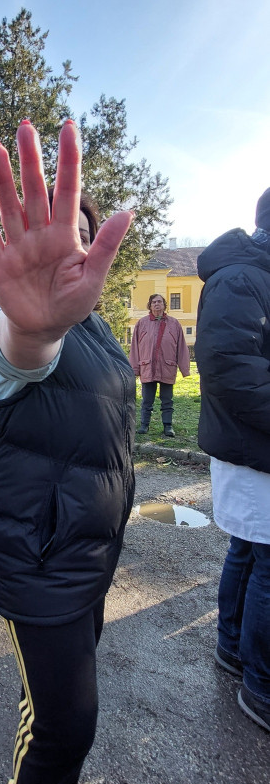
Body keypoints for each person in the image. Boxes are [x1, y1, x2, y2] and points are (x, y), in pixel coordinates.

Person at [0, 119, 135, 784]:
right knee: (66, 716)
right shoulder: (12, 318)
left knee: (64, 696)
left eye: (84, 237)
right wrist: (31, 327)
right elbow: (21, 348)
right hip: (36, 553)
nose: (74, 249)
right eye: (61, 237)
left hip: (86, 545)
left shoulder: (97, 329)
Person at [195, 187, 270, 734]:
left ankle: (233, 648)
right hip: (253, 451)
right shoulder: (241, 278)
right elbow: (230, 370)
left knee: (249, 552)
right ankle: (262, 685)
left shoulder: (253, 275)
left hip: (255, 447)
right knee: (263, 560)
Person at [129, 293, 190, 437]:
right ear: (150, 306)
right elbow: (135, 347)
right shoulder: (141, 323)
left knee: (167, 400)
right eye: (154, 302)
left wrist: (185, 369)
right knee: (146, 400)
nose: (157, 304)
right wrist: (134, 369)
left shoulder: (174, 324)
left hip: (167, 367)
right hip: (147, 367)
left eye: (160, 302)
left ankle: (168, 426)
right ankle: (144, 425)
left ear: (164, 305)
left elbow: (181, 347)